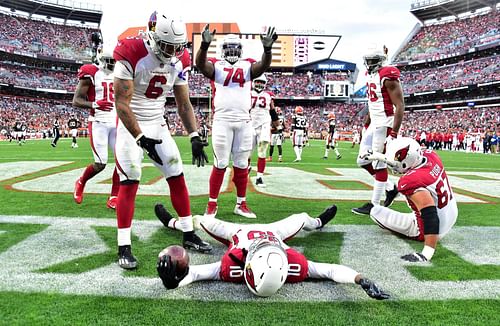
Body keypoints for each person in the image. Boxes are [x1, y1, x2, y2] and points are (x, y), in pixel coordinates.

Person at [112, 11, 211, 269]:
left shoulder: (180, 59)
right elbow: (121, 103)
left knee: (176, 173)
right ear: (155, 37)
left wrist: (194, 135)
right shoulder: (132, 51)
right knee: (130, 178)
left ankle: (188, 233)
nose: (172, 52)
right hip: (131, 124)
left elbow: (183, 102)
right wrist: (139, 137)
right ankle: (124, 246)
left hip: (157, 123)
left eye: (177, 47)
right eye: (168, 46)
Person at [155, 204, 390, 300]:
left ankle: (171, 223)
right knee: (300, 218)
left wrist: (171, 282)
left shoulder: (232, 267)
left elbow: (193, 274)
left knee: (201, 220)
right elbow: (329, 270)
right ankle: (318, 222)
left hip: (237, 232)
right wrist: (359, 279)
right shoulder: (293, 266)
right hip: (274, 232)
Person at [195, 24, 278, 219]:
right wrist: (204, 45)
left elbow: (263, 66)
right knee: (221, 163)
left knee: (241, 164)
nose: (232, 52)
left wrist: (267, 49)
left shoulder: (247, 65)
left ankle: (241, 204)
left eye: (235, 48)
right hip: (223, 120)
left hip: (244, 121)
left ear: (240, 50)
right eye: (229, 48)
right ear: (223, 50)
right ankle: (212, 204)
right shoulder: (216, 65)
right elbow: (201, 64)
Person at [360, 137, 457, 262]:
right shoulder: (431, 155)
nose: (392, 166)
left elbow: (430, 215)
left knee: (375, 212)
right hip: (450, 213)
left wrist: (427, 253)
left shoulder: (411, 181)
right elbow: (405, 159)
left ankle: (425, 242)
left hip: (431, 228)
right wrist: (379, 156)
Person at [352, 45, 404, 215]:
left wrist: (394, 133)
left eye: (373, 60)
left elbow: (400, 105)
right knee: (362, 160)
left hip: (385, 124)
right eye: (368, 60)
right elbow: (372, 103)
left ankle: (375, 205)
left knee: (378, 162)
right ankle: (390, 188)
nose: (369, 63)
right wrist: (367, 123)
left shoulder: (387, 76)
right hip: (375, 123)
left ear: (380, 61)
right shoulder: (371, 74)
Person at [72, 45, 121, 209]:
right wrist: (94, 103)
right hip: (99, 122)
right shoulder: (91, 72)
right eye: (109, 61)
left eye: (114, 61)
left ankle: (115, 195)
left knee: (122, 161)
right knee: (100, 163)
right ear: (101, 58)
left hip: (116, 122)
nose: (113, 64)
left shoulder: (121, 72)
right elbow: (76, 100)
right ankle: (81, 181)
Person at [250, 74, 279, 187]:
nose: (259, 84)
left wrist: (277, 125)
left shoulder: (268, 95)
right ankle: (246, 169)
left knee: (262, 151)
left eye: (262, 82)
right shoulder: (247, 94)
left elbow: (272, 111)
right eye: (258, 82)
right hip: (250, 125)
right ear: (253, 82)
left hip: (264, 125)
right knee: (247, 153)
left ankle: (259, 177)